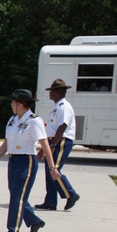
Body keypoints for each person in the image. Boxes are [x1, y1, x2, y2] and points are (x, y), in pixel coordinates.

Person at [0, 89, 61, 232]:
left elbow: (44, 144)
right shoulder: (12, 120)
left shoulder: (34, 121)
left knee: (16, 198)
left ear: (20, 103)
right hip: (13, 161)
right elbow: (7, 142)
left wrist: (52, 167)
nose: (11, 104)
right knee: (17, 196)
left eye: (13, 102)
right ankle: (34, 222)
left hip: (26, 162)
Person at [36, 78, 81, 211]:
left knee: (53, 170)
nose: (50, 93)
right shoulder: (57, 107)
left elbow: (62, 127)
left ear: (58, 92)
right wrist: (46, 147)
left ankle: (71, 194)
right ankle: (50, 202)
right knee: (49, 172)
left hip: (61, 141)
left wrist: (54, 144)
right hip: (54, 140)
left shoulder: (64, 107)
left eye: (52, 91)